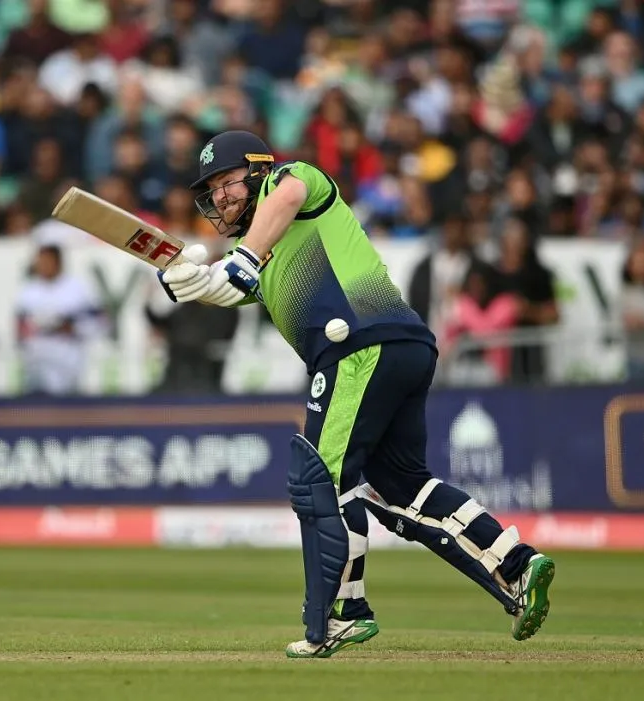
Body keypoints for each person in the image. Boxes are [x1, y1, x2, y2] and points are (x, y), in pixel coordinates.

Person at [158, 130, 555, 658]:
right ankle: (517, 566)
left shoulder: (294, 180)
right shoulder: (257, 249)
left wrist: (244, 256)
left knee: (320, 480)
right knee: (402, 485)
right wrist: (189, 278)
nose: (221, 197)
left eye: (227, 183)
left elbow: (287, 199)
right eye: (212, 190)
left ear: (256, 170)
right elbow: (227, 284)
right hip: (402, 347)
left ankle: (342, 614)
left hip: (358, 348)